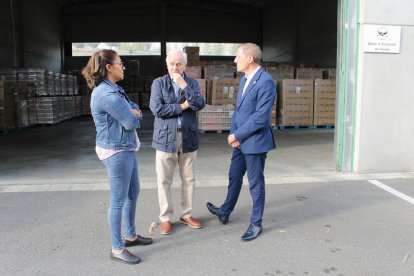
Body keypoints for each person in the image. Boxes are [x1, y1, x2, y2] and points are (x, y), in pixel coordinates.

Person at [82, 49, 152, 265]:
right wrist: (134, 115)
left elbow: (133, 108)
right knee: (118, 201)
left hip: (125, 147)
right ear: (109, 67)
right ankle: (117, 248)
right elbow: (131, 121)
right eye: (120, 63)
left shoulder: (115, 89)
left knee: (133, 192)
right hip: (117, 150)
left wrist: (132, 111)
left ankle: (130, 236)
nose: (124, 67)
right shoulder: (106, 94)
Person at [206, 43, 276, 241]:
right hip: (240, 140)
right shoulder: (245, 79)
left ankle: (256, 223)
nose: (235, 60)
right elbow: (238, 111)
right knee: (234, 176)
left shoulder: (266, 82)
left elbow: (260, 117)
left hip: (255, 142)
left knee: (255, 183)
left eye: (238, 56)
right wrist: (234, 134)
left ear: (250, 59)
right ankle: (225, 211)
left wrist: (237, 136)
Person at [150, 50, 206, 235]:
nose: (174, 67)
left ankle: (186, 214)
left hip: (188, 136)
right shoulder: (159, 83)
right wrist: (182, 106)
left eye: (179, 64)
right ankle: (165, 218)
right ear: (167, 65)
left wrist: (184, 86)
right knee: (163, 180)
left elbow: (199, 104)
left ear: (185, 65)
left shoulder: (192, 83)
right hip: (165, 137)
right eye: (171, 64)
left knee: (189, 179)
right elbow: (157, 109)